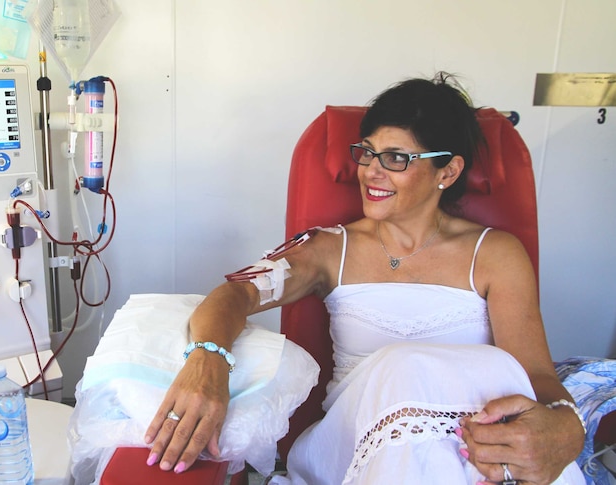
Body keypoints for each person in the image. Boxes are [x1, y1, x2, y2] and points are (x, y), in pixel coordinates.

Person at [141, 73, 587, 484]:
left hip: (467, 447)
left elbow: (533, 377)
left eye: (395, 158)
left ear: (447, 172)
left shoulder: (496, 254)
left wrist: (567, 428)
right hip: (352, 444)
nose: (372, 170)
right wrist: (208, 360)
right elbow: (236, 293)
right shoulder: (327, 248)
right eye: (368, 151)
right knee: (403, 364)